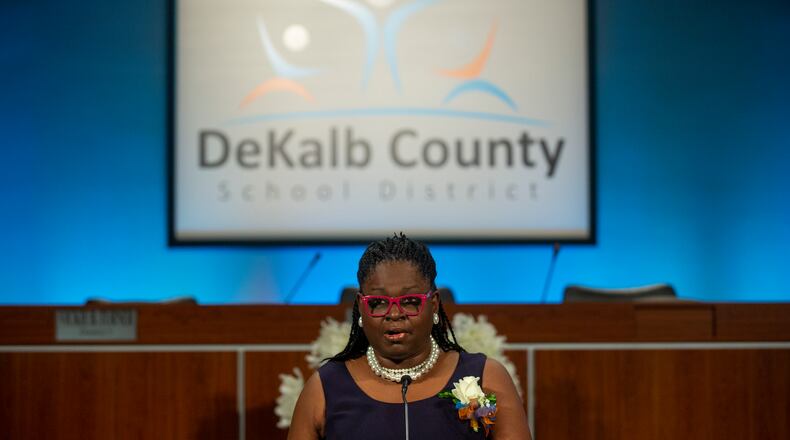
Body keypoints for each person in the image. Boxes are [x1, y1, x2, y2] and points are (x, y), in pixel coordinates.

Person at [288, 233, 532, 439]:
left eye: (410, 301)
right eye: (379, 303)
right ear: (362, 307)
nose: (394, 314)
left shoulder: (484, 378)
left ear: (434, 304)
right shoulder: (325, 388)